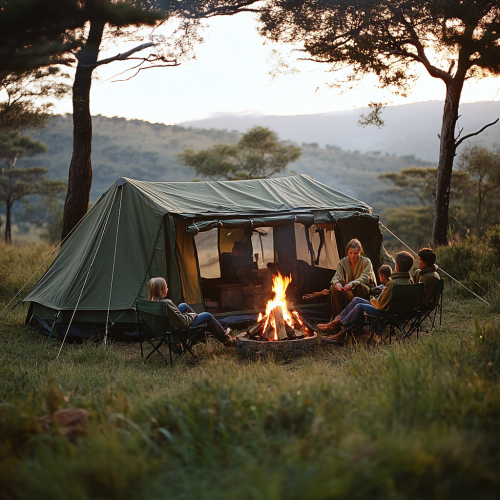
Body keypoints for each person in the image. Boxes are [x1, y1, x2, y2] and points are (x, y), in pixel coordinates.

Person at [322, 251, 414, 345]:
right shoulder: (410, 281)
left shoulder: (393, 284)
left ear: (397, 266)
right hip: (398, 312)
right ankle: (336, 323)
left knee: (360, 306)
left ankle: (342, 334)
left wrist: (372, 299)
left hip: (386, 313)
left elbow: (379, 304)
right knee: (357, 299)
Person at [148, 277, 234, 346]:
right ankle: (225, 338)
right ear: (162, 291)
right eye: (166, 287)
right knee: (207, 315)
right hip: (178, 327)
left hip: (169, 325)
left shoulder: (151, 304)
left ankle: (201, 334)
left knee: (183, 305)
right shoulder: (166, 303)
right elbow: (183, 322)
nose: (168, 289)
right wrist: (192, 315)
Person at [318, 238, 377, 333]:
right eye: (350, 253)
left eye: (355, 253)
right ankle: (337, 321)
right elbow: (336, 276)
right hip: (349, 288)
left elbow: (365, 278)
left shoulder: (366, 262)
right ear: (347, 252)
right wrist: (337, 283)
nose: (352, 256)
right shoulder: (343, 262)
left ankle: (358, 321)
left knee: (359, 286)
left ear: (360, 252)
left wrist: (352, 283)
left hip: (366, 288)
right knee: (334, 288)